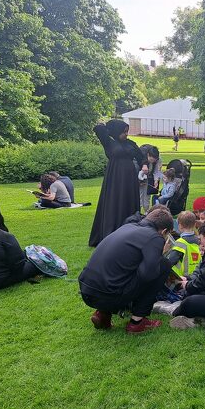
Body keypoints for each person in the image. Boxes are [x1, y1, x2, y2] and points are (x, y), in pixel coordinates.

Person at [79, 207, 174, 333]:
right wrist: (159, 254)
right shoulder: (154, 237)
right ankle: (137, 321)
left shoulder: (126, 227)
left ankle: (103, 313)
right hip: (109, 295)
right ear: (164, 231)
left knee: (121, 269)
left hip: (86, 290)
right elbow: (148, 275)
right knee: (164, 265)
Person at [89, 119, 146, 247]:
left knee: (128, 201)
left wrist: (144, 166)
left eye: (127, 131)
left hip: (129, 178)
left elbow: (141, 157)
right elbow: (99, 129)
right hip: (114, 177)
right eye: (123, 132)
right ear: (116, 131)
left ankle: (129, 232)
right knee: (114, 202)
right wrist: (104, 124)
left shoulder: (130, 143)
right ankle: (111, 234)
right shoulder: (109, 142)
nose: (126, 134)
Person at [166, 211, 202, 279]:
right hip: (196, 276)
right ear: (194, 224)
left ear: (180, 226)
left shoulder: (180, 243)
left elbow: (170, 261)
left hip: (181, 278)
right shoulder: (199, 240)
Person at [138, 144, 163, 212]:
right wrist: (140, 180)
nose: (151, 162)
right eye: (150, 160)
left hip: (149, 179)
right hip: (139, 178)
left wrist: (156, 180)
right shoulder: (141, 157)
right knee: (139, 196)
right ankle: (138, 211)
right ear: (148, 155)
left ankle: (147, 211)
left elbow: (157, 171)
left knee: (147, 197)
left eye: (154, 160)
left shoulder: (158, 160)